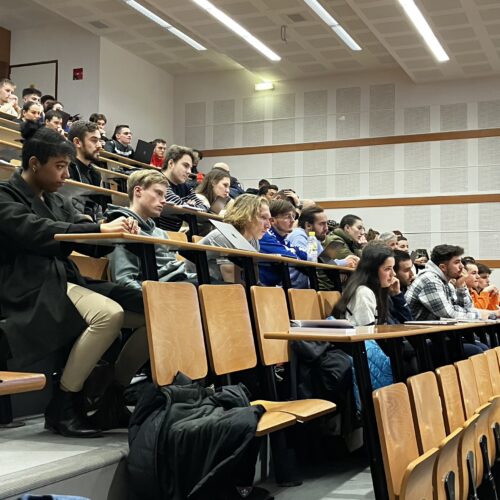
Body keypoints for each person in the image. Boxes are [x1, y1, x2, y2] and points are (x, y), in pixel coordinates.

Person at [0, 122, 149, 437]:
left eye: (68, 166)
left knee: (153, 313)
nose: (66, 174)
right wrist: (95, 229)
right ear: (34, 164)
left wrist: (115, 227)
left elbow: (83, 234)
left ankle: (111, 396)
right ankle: (64, 404)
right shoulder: (4, 196)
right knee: (109, 314)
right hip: (27, 287)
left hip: (63, 280)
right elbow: (38, 232)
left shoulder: (56, 200)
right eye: (59, 166)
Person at [106, 170, 196, 289]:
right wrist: (152, 296)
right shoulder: (122, 227)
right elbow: (125, 281)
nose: (164, 200)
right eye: (158, 193)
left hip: (181, 281)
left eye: (164, 196)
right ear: (138, 192)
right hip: (161, 290)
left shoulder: (161, 233)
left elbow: (177, 270)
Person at [333, 244, 396, 395]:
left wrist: (398, 295)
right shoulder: (363, 292)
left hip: (365, 349)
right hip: (357, 351)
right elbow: (368, 335)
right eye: (387, 269)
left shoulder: (376, 291)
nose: (393, 274)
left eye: (393, 268)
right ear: (373, 270)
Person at [405, 244, 489, 355]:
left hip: (437, 336)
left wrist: (460, 286)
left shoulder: (445, 282)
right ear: (443, 267)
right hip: (418, 341)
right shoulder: (430, 280)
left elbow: (466, 309)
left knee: (483, 347)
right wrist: (481, 315)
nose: (462, 267)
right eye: (457, 262)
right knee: (475, 351)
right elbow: (449, 314)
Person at [187, 194, 271, 283]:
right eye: (263, 217)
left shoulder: (254, 240)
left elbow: (253, 278)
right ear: (246, 215)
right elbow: (230, 278)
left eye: (269, 219)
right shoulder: (223, 237)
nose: (268, 225)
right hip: (193, 281)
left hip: (217, 283)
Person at [287, 206, 359, 290]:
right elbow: (309, 261)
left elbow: (325, 260)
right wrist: (344, 262)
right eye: (322, 224)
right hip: (291, 290)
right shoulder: (298, 236)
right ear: (308, 225)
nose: (326, 228)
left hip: (304, 289)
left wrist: (347, 261)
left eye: (326, 223)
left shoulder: (313, 238)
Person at [259, 199, 309, 287]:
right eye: (287, 217)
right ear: (272, 221)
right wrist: (296, 253)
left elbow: (306, 256)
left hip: (271, 287)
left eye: (293, 217)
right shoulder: (265, 236)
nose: (293, 220)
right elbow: (291, 257)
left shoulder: (283, 239)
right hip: (260, 287)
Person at [67, 120, 109, 221]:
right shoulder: (66, 169)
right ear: (77, 142)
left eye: (99, 140)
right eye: (94, 140)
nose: (100, 145)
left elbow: (97, 211)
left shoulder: (95, 174)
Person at [159, 144, 207, 232]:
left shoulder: (185, 186)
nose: (189, 171)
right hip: (157, 235)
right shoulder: (158, 180)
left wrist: (188, 207)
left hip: (174, 235)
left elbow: (203, 208)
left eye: (190, 168)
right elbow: (176, 204)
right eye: (185, 166)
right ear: (171, 163)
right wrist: (190, 206)